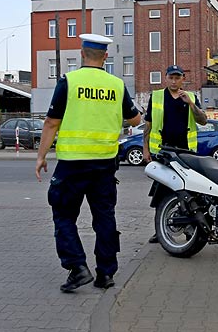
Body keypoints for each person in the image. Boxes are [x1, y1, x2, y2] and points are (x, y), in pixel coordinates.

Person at [35, 33, 141, 293]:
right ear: (106, 57)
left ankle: (77, 267)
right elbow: (136, 120)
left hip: (72, 163)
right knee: (104, 217)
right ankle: (105, 274)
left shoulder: (69, 82)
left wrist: (41, 156)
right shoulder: (116, 85)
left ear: (82, 54)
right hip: (105, 164)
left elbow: (51, 122)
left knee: (63, 215)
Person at [143, 65, 207, 243]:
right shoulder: (156, 96)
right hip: (163, 151)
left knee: (188, 190)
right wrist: (145, 148)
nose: (174, 80)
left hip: (186, 153)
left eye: (177, 77)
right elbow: (148, 124)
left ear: (182, 79)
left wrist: (191, 104)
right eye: (171, 77)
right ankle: (160, 230)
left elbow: (203, 121)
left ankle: (189, 229)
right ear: (165, 78)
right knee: (162, 191)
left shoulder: (191, 97)